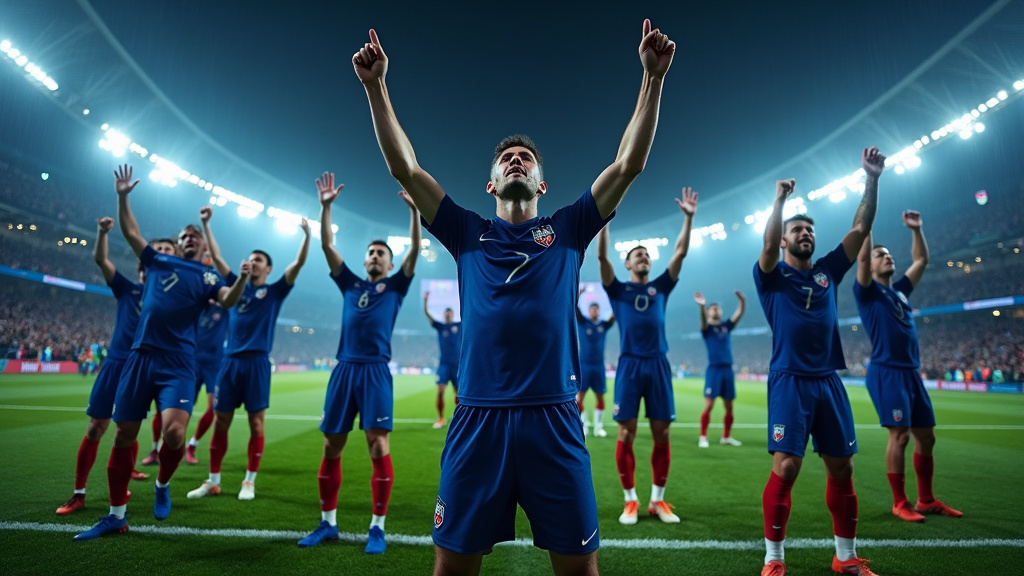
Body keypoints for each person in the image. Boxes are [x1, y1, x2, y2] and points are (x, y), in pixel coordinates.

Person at [352, 18, 675, 576]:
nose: (516, 160)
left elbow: (629, 164)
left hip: (554, 418)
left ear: (542, 184)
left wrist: (653, 80)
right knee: (452, 569)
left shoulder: (570, 229)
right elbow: (405, 166)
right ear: (491, 184)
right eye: (507, 159)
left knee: (580, 571)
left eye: (527, 158)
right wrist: (375, 87)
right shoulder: (465, 231)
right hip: (478, 418)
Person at [74, 165, 249, 540]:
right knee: (124, 436)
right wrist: (123, 196)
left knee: (173, 434)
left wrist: (243, 278)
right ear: (179, 241)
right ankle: (116, 515)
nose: (189, 238)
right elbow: (132, 233)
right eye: (184, 234)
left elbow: (230, 300)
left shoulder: (207, 277)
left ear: (202, 247)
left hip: (178, 363)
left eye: (194, 236)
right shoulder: (158, 260)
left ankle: (162, 484)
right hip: (140, 357)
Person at [754, 147, 885, 576]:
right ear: (786, 238)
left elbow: (861, 227)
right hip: (789, 380)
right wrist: (779, 203)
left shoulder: (829, 269)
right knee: (788, 467)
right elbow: (769, 243)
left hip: (828, 381)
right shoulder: (771, 277)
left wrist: (871, 178)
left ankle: (845, 557)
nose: (805, 234)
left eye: (809, 229)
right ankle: (774, 561)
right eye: (798, 230)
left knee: (843, 468)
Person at [297, 173, 419, 555]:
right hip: (344, 369)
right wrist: (326, 207)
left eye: (382, 253)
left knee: (377, 445)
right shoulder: (349, 283)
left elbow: (415, 251)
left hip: (376, 370)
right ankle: (328, 523)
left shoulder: (396, 286)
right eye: (371, 252)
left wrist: (415, 213)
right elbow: (328, 246)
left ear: (390, 262)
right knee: (332, 445)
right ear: (365, 259)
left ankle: (377, 527)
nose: (375, 256)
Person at [187, 206, 310, 501]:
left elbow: (297, 264)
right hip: (229, 362)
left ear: (268, 269)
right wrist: (206, 224)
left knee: (257, 424)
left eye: (259, 260)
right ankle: (213, 480)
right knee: (221, 421)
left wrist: (306, 237)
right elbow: (216, 258)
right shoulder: (235, 285)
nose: (253, 262)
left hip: (256, 363)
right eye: (251, 258)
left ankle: (249, 482)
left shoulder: (276, 291)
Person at [54, 218, 172, 515]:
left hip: (144, 368)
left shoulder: (175, 298)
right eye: (154, 251)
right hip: (117, 364)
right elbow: (100, 259)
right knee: (96, 427)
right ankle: (78, 493)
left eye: (166, 251)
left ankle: (125, 482)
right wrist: (102, 233)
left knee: (127, 430)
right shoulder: (127, 289)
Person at [598, 187, 697, 526]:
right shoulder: (618, 290)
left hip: (658, 364)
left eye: (646, 255)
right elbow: (601, 259)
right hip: (629, 365)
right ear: (627, 263)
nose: (644, 257)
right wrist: (604, 221)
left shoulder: (660, 288)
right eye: (637, 255)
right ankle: (630, 501)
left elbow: (681, 253)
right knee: (625, 434)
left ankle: (658, 500)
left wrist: (688, 218)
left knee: (662, 435)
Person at [853, 210, 961, 523]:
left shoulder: (899, 291)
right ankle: (900, 502)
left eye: (887, 254)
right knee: (899, 436)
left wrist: (917, 230)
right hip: (887, 372)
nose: (886, 257)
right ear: (870, 264)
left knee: (927, 437)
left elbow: (922, 260)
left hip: (911, 373)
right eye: (879, 255)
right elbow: (860, 259)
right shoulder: (867, 292)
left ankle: (925, 500)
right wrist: (868, 226)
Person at [693, 290, 746, 448]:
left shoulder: (726, 326)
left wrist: (742, 302)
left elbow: (739, 313)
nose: (716, 310)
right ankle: (703, 436)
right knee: (709, 405)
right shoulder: (707, 329)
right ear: (708, 312)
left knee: (729, 406)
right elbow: (702, 319)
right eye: (713, 308)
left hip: (728, 370)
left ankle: (726, 437)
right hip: (714, 370)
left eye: (718, 308)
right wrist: (701, 307)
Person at [184, 297, 230, 465]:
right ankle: (171, 443)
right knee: (184, 407)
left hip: (214, 366)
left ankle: (192, 444)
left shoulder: (224, 310)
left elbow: (232, 295)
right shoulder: (199, 306)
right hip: (193, 362)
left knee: (213, 409)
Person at [575, 289, 614, 437]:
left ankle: (598, 427)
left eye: (597, 309)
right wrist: (579, 294)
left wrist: (614, 296)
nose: (594, 311)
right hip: (583, 365)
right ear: (589, 311)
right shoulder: (583, 322)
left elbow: (615, 313)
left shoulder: (603, 325)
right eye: (592, 309)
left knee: (600, 397)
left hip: (598, 366)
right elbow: (574, 306)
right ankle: (582, 426)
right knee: (580, 397)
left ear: (599, 312)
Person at [424, 291, 461, 429]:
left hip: (457, 365)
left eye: (449, 313)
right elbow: (428, 315)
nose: (447, 314)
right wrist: (425, 301)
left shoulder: (459, 325)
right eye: (445, 313)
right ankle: (440, 418)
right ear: (444, 315)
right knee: (440, 390)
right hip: (444, 364)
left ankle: (458, 418)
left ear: (452, 314)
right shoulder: (440, 327)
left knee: (459, 394)